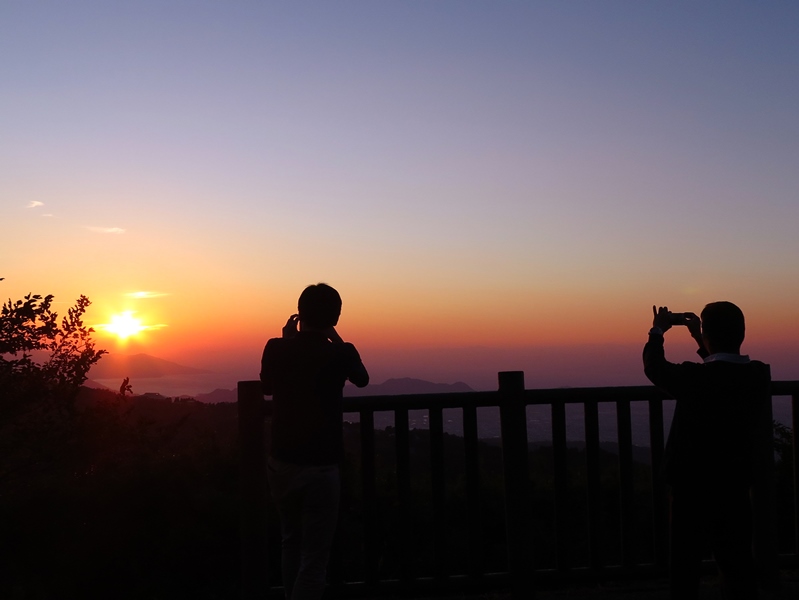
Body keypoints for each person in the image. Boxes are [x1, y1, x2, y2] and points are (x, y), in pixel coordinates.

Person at [643, 302, 775, 600]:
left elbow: (655, 367)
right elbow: (721, 370)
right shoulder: (757, 376)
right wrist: (701, 340)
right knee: (737, 563)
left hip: (691, 485)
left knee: (685, 565)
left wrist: (657, 331)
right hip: (735, 484)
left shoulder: (695, 379)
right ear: (742, 333)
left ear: (707, 333)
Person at [261, 283, 369, 600]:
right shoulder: (340, 352)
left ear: (300, 313)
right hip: (322, 466)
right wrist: (337, 338)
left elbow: (266, 387)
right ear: (335, 316)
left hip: (281, 461)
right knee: (315, 558)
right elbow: (362, 378)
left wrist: (286, 340)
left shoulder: (276, 347)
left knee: (290, 541)